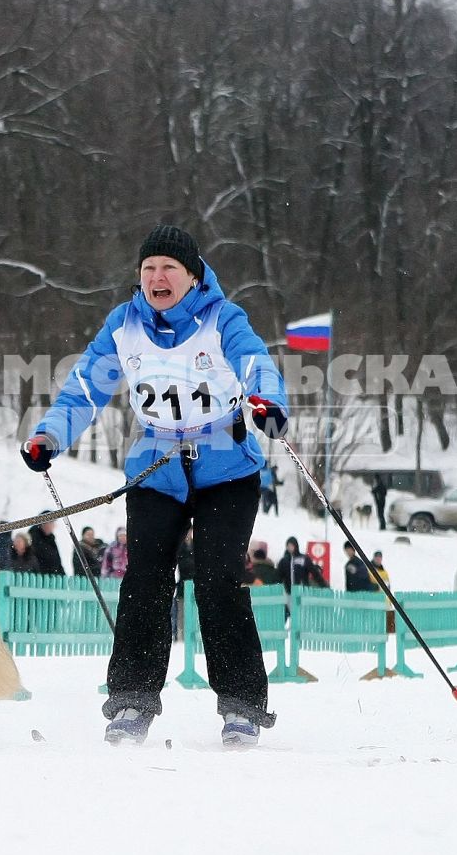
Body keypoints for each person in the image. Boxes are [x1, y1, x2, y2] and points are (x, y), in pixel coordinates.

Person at [19, 223, 289, 747]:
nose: (157, 277)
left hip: (227, 469)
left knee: (217, 577)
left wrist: (267, 402)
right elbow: (83, 389)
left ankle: (241, 707)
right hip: (157, 467)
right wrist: (49, 436)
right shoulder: (123, 325)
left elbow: (257, 363)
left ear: (192, 276)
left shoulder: (222, 318)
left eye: (169, 268)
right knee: (144, 578)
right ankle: (132, 702)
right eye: (148, 269)